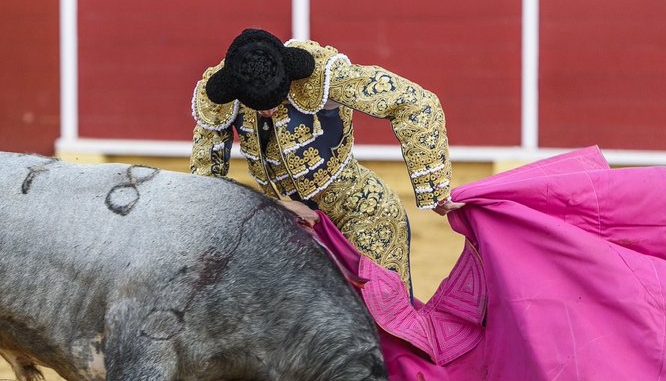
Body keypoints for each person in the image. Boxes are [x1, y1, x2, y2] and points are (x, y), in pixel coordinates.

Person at [190, 28, 462, 295]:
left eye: (276, 99)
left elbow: (416, 103)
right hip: (290, 230)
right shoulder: (219, 96)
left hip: (361, 215)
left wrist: (434, 188)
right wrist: (278, 207)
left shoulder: (322, 75)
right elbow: (206, 187)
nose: (269, 111)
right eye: (259, 106)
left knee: (380, 322)